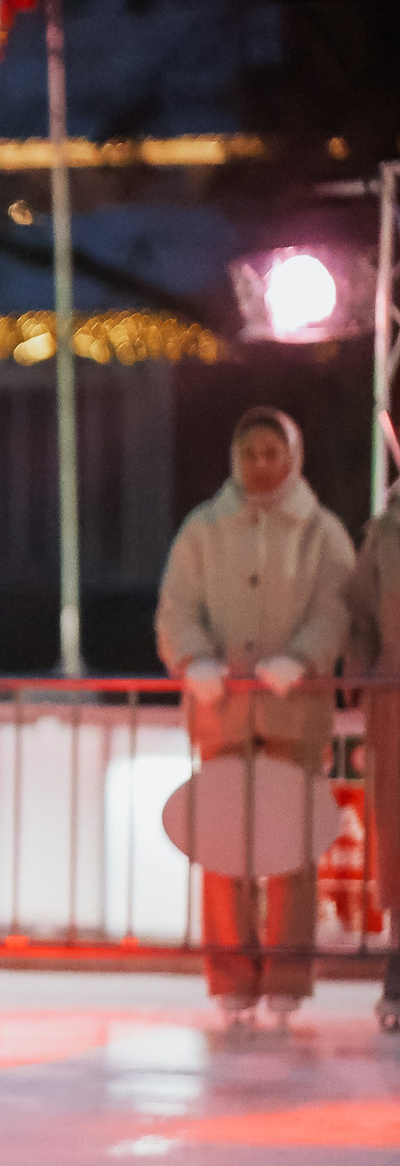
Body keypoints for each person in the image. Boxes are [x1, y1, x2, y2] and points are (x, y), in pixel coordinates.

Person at [157, 407, 353, 1023]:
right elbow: (176, 609)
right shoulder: (203, 529)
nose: (261, 464)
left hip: (293, 714)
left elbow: (337, 606)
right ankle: (232, 977)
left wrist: (306, 657)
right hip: (224, 713)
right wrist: (193, 660)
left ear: (293, 458)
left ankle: (289, 977)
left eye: (273, 452)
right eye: (251, 453)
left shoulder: (320, 532)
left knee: (291, 849)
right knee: (225, 847)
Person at [347, 502, 400, 1032]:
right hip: (396, 702)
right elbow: (360, 617)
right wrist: (362, 679)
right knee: (398, 838)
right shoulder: (387, 532)